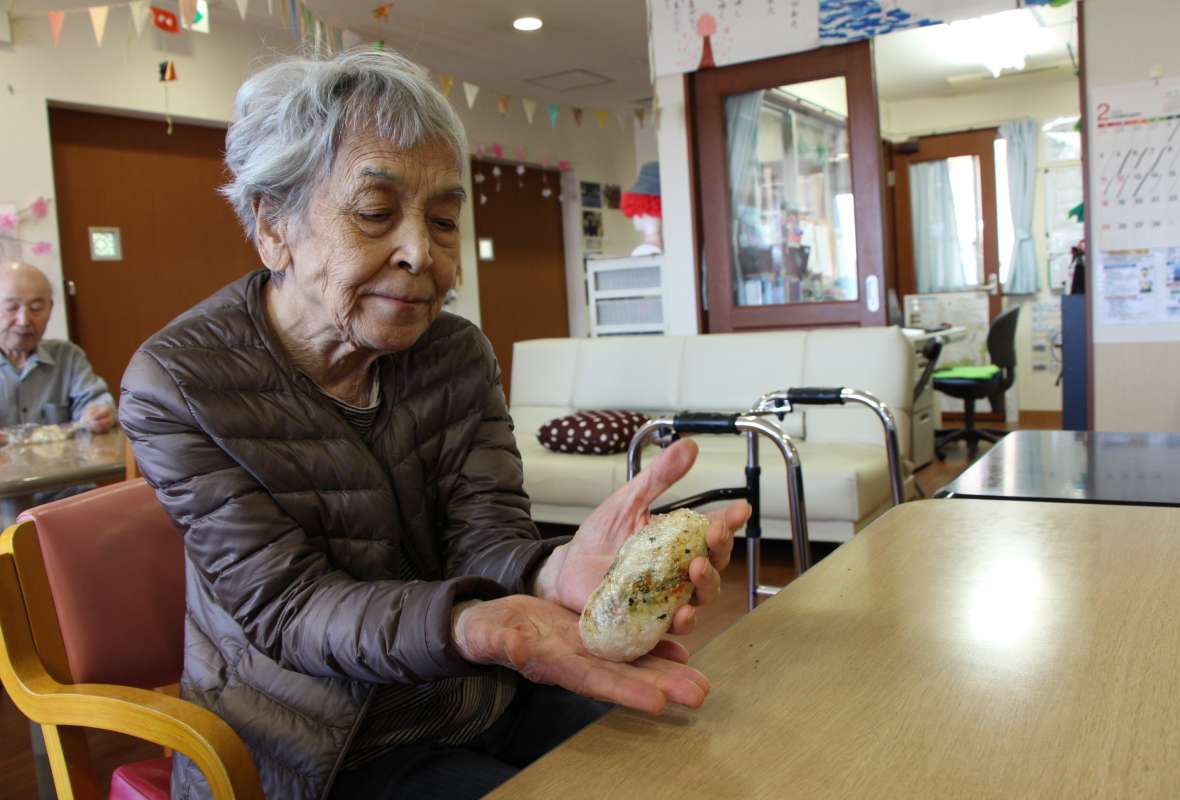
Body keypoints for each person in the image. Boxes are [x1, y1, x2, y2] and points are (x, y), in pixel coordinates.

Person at [119, 49, 749, 800]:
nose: (421, 251)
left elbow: (487, 534)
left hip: (478, 692)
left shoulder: (455, 353)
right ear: (273, 223)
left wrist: (555, 571)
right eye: (375, 213)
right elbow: (289, 608)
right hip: (321, 744)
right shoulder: (180, 384)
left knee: (689, 768)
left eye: (444, 220)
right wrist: (469, 627)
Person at [0, 262, 114, 435]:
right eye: (11, 308)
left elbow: (96, 401)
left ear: (50, 309)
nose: (24, 321)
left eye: (36, 308)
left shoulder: (68, 357)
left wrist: (100, 413)